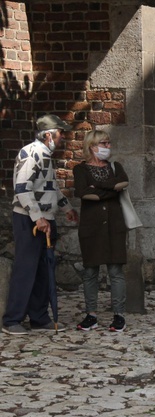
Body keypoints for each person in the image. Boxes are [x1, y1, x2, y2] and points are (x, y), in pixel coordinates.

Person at [2, 115, 79, 335]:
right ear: (48, 134)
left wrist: (67, 208)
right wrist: (38, 217)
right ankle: (12, 319)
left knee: (44, 272)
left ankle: (39, 317)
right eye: (60, 133)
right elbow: (22, 188)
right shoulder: (31, 153)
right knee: (26, 269)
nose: (63, 137)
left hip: (45, 219)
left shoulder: (46, 155)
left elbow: (51, 188)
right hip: (30, 220)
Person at [73, 130, 130, 333]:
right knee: (90, 271)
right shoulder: (80, 170)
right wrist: (111, 189)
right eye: (103, 143)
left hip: (115, 225)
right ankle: (91, 315)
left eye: (108, 142)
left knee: (116, 271)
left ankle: (119, 315)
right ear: (92, 146)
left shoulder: (115, 167)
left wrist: (97, 185)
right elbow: (84, 194)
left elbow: (123, 182)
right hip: (92, 226)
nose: (107, 146)